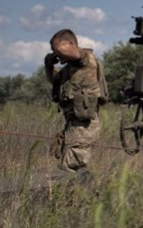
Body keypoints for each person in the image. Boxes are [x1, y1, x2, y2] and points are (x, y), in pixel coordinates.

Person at [43, 29, 107, 172]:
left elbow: (66, 49)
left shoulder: (85, 59)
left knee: (71, 168)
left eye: (57, 50)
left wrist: (56, 50)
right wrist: (49, 65)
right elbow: (55, 81)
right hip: (73, 125)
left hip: (84, 126)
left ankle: (84, 193)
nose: (57, 54)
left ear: (71, 44)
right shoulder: (69, 69)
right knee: (70, 166)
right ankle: (82, 192)